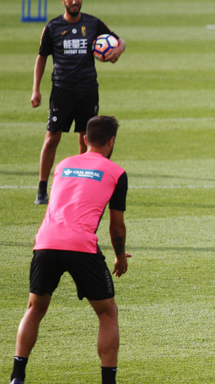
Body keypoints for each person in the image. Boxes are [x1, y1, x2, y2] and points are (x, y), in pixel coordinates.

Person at [10, 116, 130, 384]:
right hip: (81, 247)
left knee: (35, 308)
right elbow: (117, 226)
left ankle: (17, 377)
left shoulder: (63, 166)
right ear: (111, 142)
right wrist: (120, 257)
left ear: (85, 139)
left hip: (46, 242)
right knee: (107, 313)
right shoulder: (116, 172)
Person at [31, 0, 126, 205]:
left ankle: (83, 187)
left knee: (86, 141)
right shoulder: (53, 28)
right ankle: (42, 189)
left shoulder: (93, 24)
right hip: (62, 92)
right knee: (52, 139)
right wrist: (36, 89)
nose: (74, 1)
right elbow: (41, 57)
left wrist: (117, 52)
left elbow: (119, 41)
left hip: (87, 91)